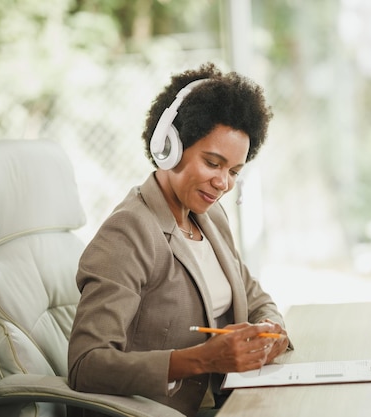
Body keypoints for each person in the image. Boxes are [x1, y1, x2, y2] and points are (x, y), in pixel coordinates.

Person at [68, 62, 291, 417]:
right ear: (168, 147)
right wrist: (201, 360)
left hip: (230, 402)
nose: (223, 184)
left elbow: (255, 296)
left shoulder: (210, 216)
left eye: (234, 171)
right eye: (213, 163)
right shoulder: (129, 232)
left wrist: (269, 331)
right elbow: (86, 365)